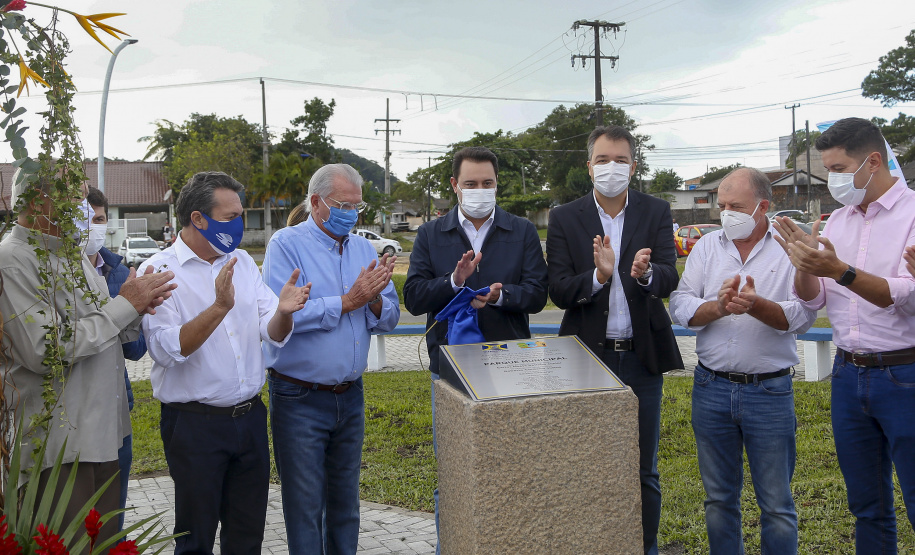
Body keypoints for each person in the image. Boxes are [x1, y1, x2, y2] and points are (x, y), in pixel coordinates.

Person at [139, 171, 310, 554]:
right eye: (230, 216)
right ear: (198, 218)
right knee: (195, 537)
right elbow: (165, 350)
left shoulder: (243, 262)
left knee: (247, 535)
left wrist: (284, 311)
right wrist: (219, 308)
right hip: (194, 424)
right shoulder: (160, 272)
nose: (239, 225)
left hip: (248, 419)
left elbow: (272, 330)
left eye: (241, 215)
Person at [0, 174, 175, 546]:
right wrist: (125, 305)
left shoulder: (71, 253)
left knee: (103, 545)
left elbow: (105, 329)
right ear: (33, 201)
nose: (80, 208)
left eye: (82, 198)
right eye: (70, 196)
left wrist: (138, 309)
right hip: (59, 447)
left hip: (104, 436)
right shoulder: (12, 260)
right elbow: (43, 349)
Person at [773, 117, 915, 554]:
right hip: (849, 375)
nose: (833, 179)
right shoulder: (837, 222)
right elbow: (813, 300)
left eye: (839, 168)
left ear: (873, 161)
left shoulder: (912, 214)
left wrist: (840, 270)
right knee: (866, 505)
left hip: (905, 374)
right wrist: (804, 265)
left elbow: (906, 296)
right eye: (829, 169)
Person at [403, 146, 549, 551]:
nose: (480, 190)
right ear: (455, 186)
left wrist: (502, 296)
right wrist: (453, 282)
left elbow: (538, 293)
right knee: (452, 471)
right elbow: (413, 296)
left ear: (497, 184)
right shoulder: (432, 234)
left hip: (511, 366)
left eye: (487, 183)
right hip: (450, 367)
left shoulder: (520, 231)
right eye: (471, 184)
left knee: (511, 469)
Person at [546, 125, 682, 555]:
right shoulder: (565, 217)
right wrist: (599, 277)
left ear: (634, 166)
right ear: (589, 167)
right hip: (587, 357)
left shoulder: (656, 211)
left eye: (620, 159)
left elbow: (668, 275)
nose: (612, 167)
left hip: (641, 359)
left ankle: (646, 547)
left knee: (644, 470)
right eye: (603, 160)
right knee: (585, 465)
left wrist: (645, 276)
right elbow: (559, 289)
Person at [669, 168, 816, 554]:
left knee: (777, 505)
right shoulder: (706, 247)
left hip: (769, 391)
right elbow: (681, 305)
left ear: (763, 206)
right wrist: (718, 306)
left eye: (735, 206)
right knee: (718, 500)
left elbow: (801, 315)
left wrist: (755, 306)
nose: (726, 214)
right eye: (722, 206)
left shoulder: (789, 247)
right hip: (710, 388)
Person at [262, 164, 399, 554]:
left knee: (345, 505)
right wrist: (345, 302)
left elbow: (388, 316)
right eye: (344, 205)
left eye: (358, 206)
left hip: (349, 396)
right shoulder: (286, 245)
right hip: (299, 398)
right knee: (306, 508)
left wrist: (372, 299)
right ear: (317, 202)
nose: (352, 214)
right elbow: (281, 315)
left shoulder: (361, 246)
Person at [85, 187, 147, 533]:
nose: (95, 227)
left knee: (111, 519)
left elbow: (135, 351)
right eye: (89, 220)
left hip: (115, 405)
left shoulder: (119, 270)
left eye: (100, 220)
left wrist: (135, 310)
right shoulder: (60, 274)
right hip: (75, 411)